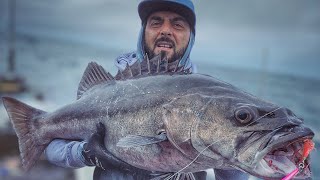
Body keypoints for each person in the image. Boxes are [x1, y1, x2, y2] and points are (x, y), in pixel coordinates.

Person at [45, 0, 249, 179]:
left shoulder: (209, 101)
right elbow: (52, 148)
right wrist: (85, 153)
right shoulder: (109, 90)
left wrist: (235, 149)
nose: (166, 30)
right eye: (156, 22)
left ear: (191, 37)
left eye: (177, 24)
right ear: (143, 31)